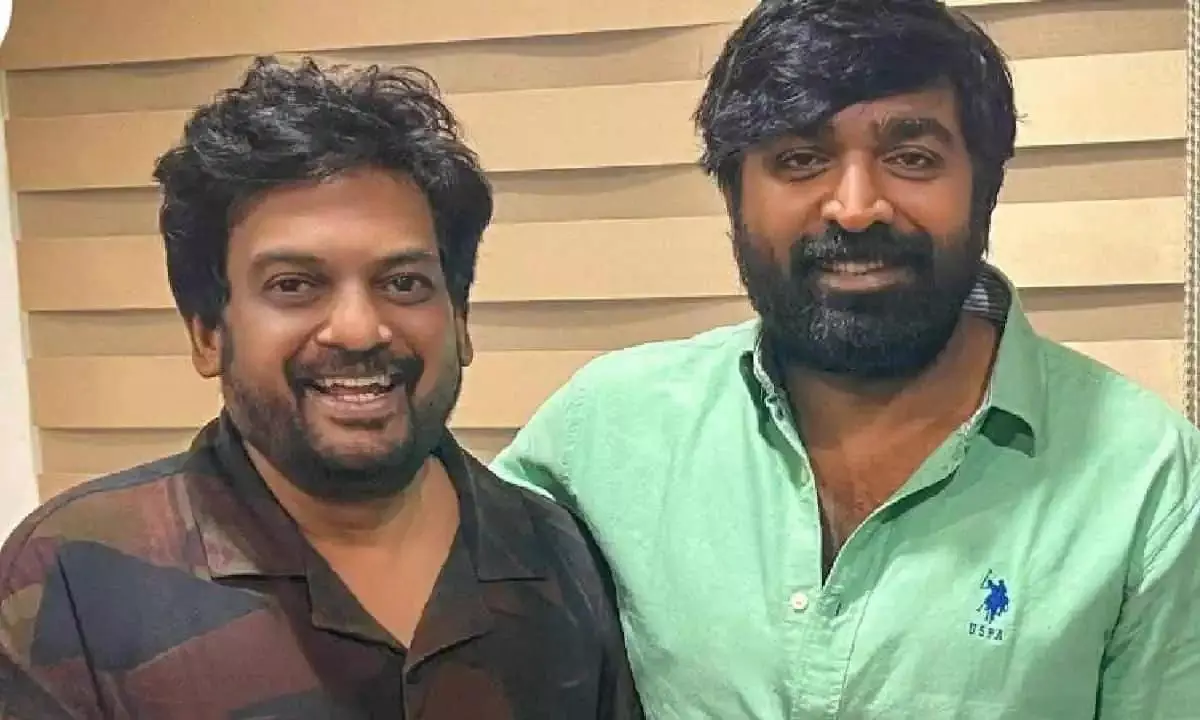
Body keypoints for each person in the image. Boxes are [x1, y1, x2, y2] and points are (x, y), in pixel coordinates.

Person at [490, 1, 1200, 717]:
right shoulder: (606, 432)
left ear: (986, 188)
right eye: (801, 159)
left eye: (912, 158)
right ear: (733, 195)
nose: (856, 208)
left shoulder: (1150, 484)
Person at [0, 56, 643, 719]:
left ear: (460, 320)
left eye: (403, 283)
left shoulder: (553, 552)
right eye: (294, 285)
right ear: (207, 333)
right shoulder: (71, 579)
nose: (359, 330)